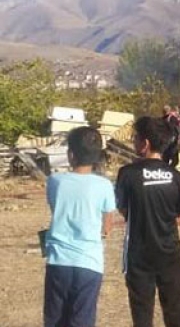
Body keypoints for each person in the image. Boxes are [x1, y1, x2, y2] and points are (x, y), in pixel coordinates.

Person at [116, 116, 180, 327]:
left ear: (145, 143)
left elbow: (123, 209)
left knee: (142, 313)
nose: (133, 142)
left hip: (138, 254)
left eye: (135, 137)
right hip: (170, 253)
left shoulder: (127, 174)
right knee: (176, 310)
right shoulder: (175, 176)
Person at [43, 126, 116, 327]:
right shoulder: (104, 185)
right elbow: (107, 225)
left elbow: (55, 207)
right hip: (89, 262)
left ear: (70, 155)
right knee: (82, 318)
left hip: (58, 261)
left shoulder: (55, 181)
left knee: (55, 318)